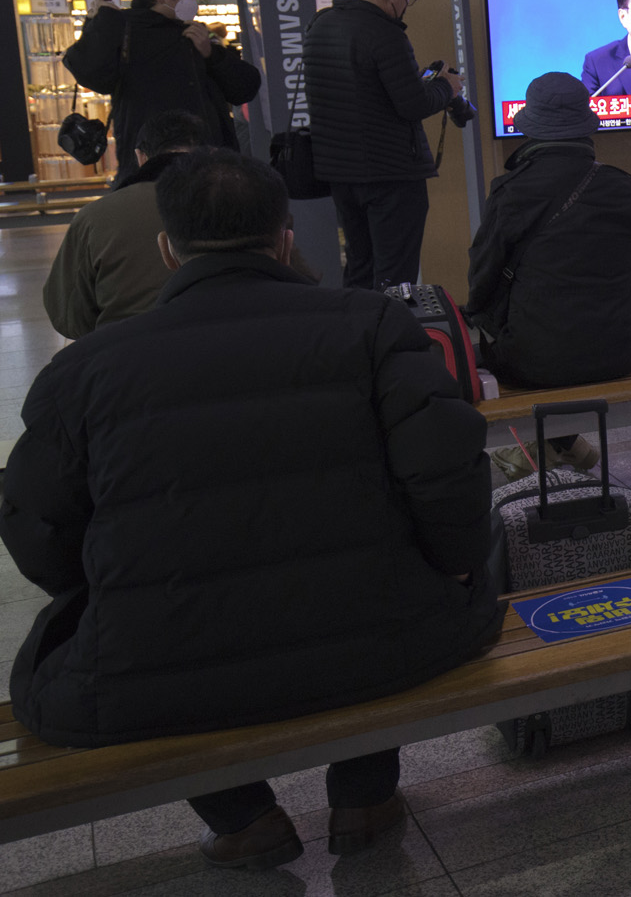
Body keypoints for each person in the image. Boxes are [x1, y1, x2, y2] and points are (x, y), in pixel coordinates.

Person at [1, 149, 497, 869]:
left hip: (164, 658)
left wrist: (101, 592)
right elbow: (447, 471)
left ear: (169, 249)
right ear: (285, 238)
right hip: (378, 629)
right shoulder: (371, 324)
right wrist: (453, 565)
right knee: (398, 591)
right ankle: (363, 793)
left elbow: (34, 525)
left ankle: (241, 814)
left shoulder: (84, 369)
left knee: (83, 652)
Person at [465, 73, 631, 474]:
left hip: (532, 362)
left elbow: (481, 282)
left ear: (530, 131)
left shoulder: (511, 192)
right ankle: (563, 444)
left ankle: (546, 447)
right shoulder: (629, 190)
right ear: (587, 128)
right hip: (620, 353)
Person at [43, 111, 316, 339]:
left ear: (140, 156)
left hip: (129, 356)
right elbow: (305, 281)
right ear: (209, 151)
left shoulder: (96, 216)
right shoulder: (249, 196)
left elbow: (69, 317)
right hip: (254, 343)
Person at [303, 0, 462, 290]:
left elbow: (364, 90)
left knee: (360, 264)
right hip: (390, 174)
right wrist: (447, 88)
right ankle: (394, 339)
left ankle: (359, 337)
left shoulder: (320, 25)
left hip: (341, 171)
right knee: (395, 276)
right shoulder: (385, 33)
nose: (406, 4)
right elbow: (414, 105)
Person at [61, 0, 262, 177]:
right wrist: (100, 22)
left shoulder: (193, 33)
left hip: (205, 165)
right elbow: (88, 71)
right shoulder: (122, 31)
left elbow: (246, 87)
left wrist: (212, 54)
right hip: (156, 168)